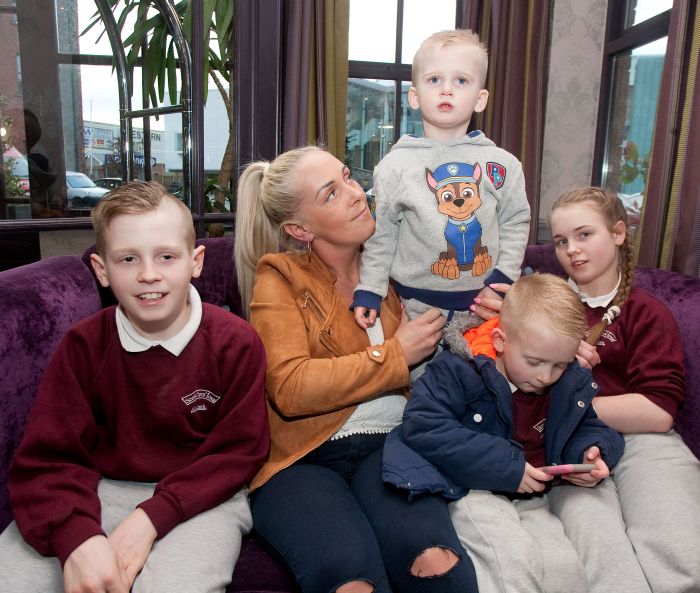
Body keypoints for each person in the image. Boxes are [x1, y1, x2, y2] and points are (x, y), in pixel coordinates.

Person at [0, 181, 270, 593]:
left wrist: (151, 518)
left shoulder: (237, 343)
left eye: (166, 256)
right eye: (128, 259)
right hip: (98, 488)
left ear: (195, 261)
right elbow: (46, 460)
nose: (148, 274)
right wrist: (77, 537)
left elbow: (239, 452)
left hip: (205, 497)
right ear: (102, 270)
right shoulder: (82, 346)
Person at [234, 145, 479, 593]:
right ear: (298, 229)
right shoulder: (281, 277)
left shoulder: (400, 263)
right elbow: (290, 387)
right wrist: (395, 355)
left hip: (392, 445)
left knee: (436, 563)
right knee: (351, 583)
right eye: (330, 193)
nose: (354, 193)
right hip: (301, 460)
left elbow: (466, 297)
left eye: (348, 177)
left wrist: (499, 309)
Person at [383, 272, 625, 593]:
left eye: (559, 365)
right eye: (535, 362)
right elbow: (422, 425)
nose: (546, 377)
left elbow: (590, 425)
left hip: (534, 496)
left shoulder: (563, 379)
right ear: (500, 340)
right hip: (471, 491)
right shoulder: (457, 371)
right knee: (513, 562)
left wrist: (591, 451)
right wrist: (505, 466)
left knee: (565, 570)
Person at [546, 187, 700, 593]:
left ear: (618, 233)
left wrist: (574, 402)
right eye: (561, 241)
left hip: (645, 441)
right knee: (604, 555)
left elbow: (657, 411)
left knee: (676, 550)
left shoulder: (646, 311)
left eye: (584, 235)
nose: (572, 251)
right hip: (570, 442)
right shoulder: (544, 308)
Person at [352, 29, 530, 337]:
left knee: (484, 381)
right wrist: (371, 287)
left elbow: (515, 222)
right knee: (422, 385)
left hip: (483, 309)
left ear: (480, 99)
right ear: (415, 96)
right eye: (435, 79)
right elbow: (382, 235)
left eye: (461, 81)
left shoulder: (502, 165)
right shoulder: (394, 166)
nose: (447, 89)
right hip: (414, 309)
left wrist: (503, 280)